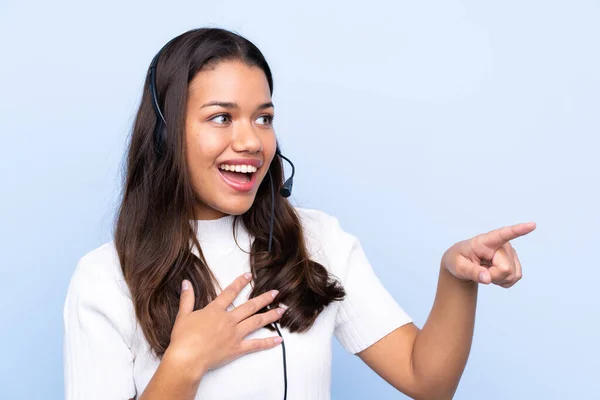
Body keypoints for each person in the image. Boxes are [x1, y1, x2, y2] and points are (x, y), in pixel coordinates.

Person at [62, 27, 536, 400]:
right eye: (222, 117)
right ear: (166, 136)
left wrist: (457, 276)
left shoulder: (317, 240)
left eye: (263, 118)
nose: (251, 141)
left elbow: (427, 381)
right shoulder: (105, 279)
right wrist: (184, 363)